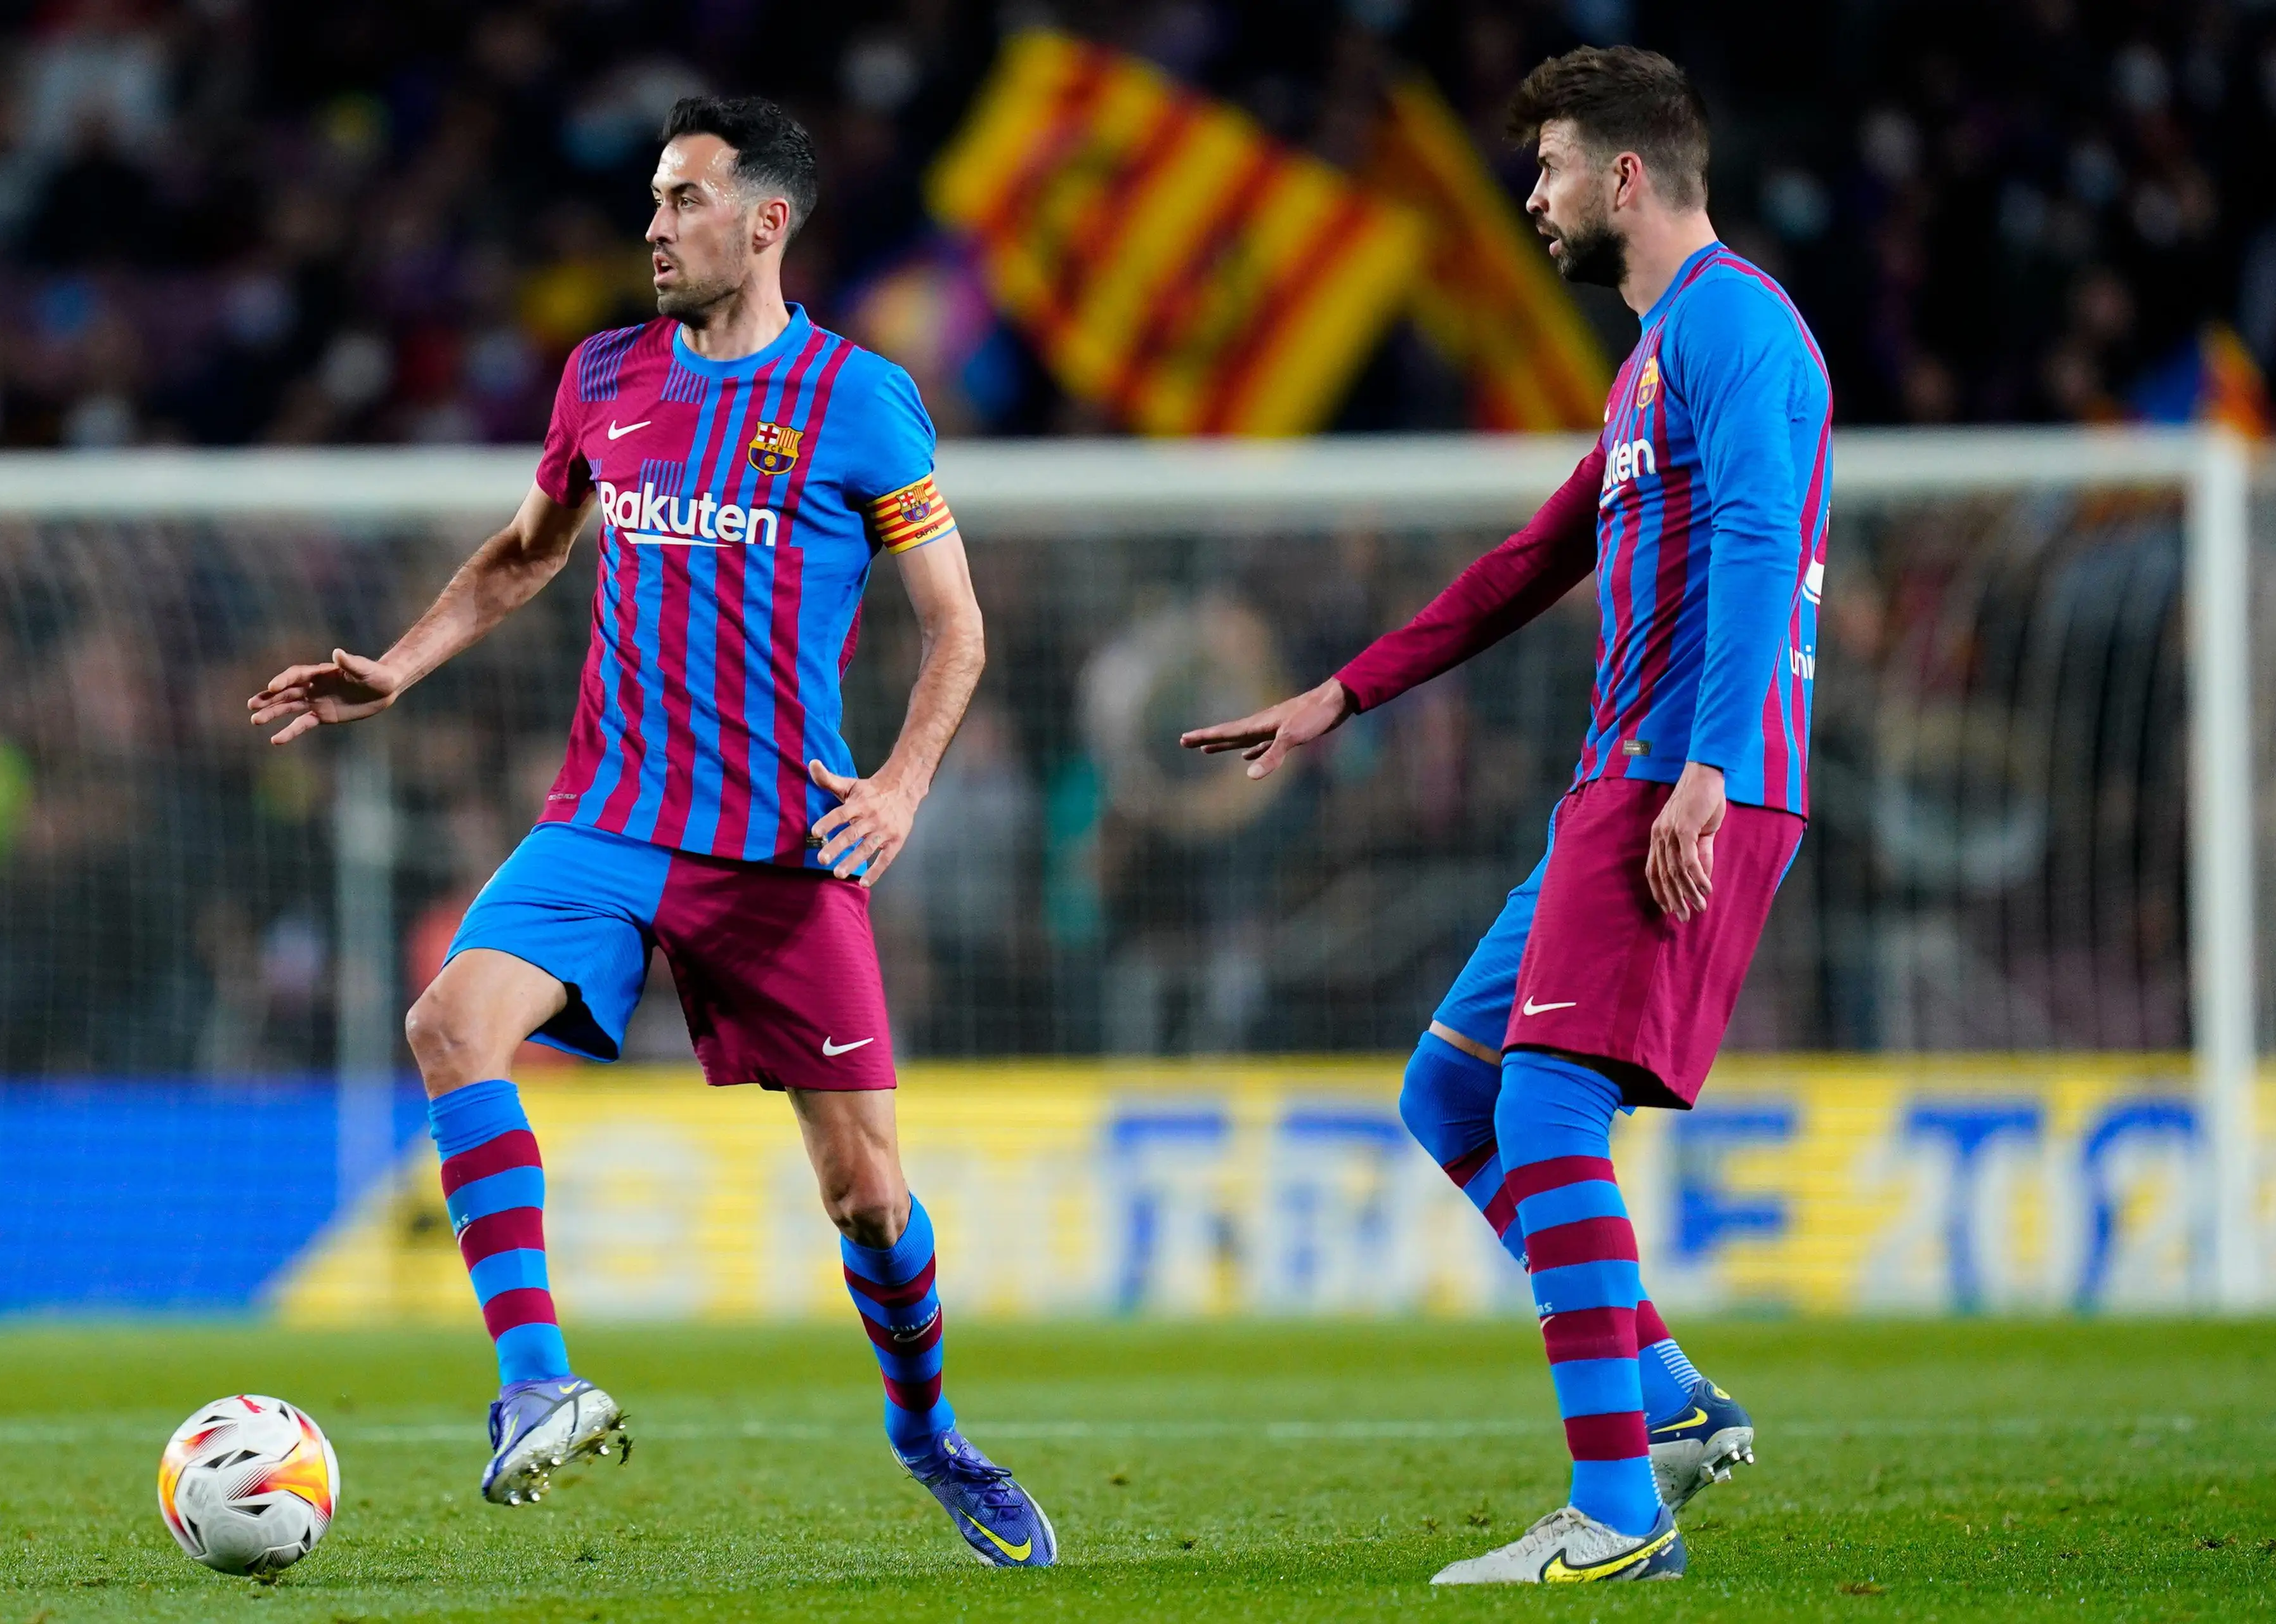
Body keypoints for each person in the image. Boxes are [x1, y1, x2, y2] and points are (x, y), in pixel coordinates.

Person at [247, 95, 1056, 1568]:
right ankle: (534, 1378)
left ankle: (929, 1426)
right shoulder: (605, 373)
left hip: (781, 849)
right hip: (610, 817)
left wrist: (903, 783)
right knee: (449, 1022)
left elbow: (958, 626)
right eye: (654, 200)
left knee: (868, 1195)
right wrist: (396, 663)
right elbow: (525, 552)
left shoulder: (862, 401)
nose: (653, 226)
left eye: (684, 200)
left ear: (766, 223)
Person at [1183, 45, 1830, 1585]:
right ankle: (1663, 1399)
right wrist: (1341, 693)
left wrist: (1710, 765)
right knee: (1450, 1095)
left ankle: (1617, 1515)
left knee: (1546, 1108)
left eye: (1543, 169)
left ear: (1624, 175)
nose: (1527, 199)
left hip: (1677, 778)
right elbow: (1530, 563)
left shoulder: (1740, 326)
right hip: (1627, 779)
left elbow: (1756, 532)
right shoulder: (1653, 358)